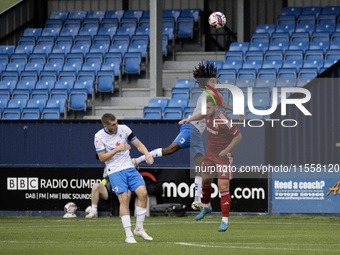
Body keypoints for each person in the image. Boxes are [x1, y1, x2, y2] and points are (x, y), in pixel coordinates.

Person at [132, 62, 244, 211]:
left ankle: (197, 200)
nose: (215, 82)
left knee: (180, 155)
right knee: (183, 156)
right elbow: (209, 110)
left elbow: (220, 103)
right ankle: (198, 200)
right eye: (212, 81)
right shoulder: (206, 95)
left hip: (194, 131)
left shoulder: (212, 95)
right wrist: (190, 119)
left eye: (216, 80)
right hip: (192, 129)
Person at [179, 95, 242, 232]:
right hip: (210, 154)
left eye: (209, 107)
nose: (206, 110)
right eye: (205, 107)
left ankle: (224, 221)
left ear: (217, 108)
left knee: (223, 186)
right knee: (206, 181)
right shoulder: (207, 114)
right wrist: (188, 119)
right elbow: (201, 115)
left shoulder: (224, 120)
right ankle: (207, 207)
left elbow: (238, 136)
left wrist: (226, 150)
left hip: (224, 156)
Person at [94, 113, 154, 243]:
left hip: (129, 167)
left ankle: (139, 228)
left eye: (116, 123)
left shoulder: (124, 129)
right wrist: (118, 149)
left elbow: (138, 144)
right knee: (124, 198)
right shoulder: (99, 136)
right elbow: (102, 158)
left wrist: (147, 154)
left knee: (143, 193)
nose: (116, 126)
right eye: (113, 124)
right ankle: (128, 235)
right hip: (115, 170)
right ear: (106, 126)